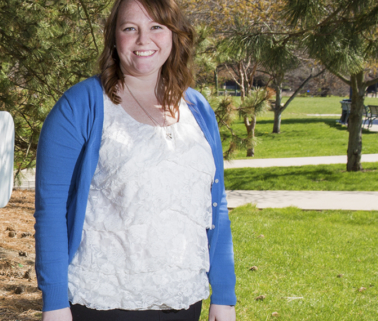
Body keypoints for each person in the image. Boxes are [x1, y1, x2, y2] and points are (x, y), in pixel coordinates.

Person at [34, 0, 236, 320]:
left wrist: (224, 294)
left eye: (156, 26)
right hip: (103, 300)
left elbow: (215, 205)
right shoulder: (81, 105)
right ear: (114, 37)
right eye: (130, 28)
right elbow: (51, 210)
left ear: (173, 35)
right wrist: (55, 303)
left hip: (183, 297)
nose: (144, 39)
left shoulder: (198, 108)